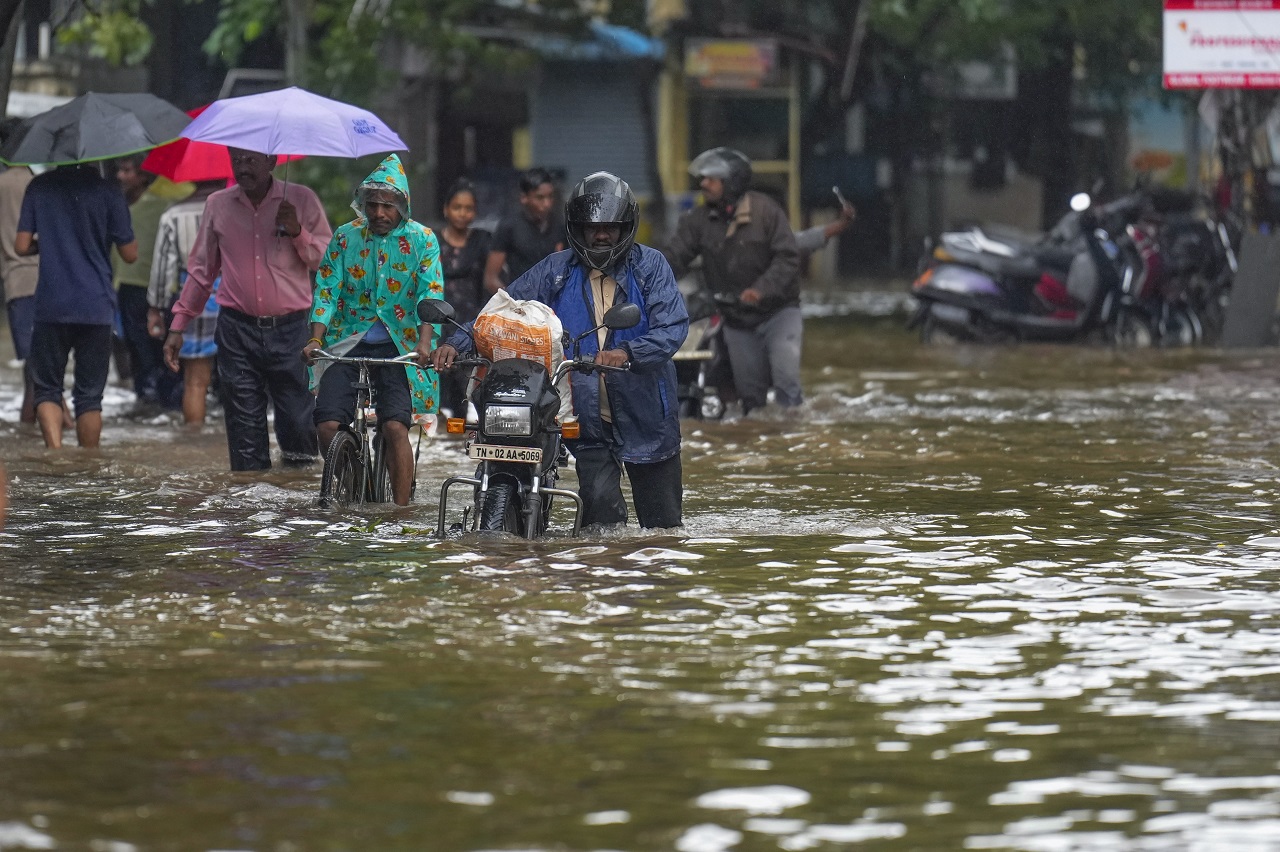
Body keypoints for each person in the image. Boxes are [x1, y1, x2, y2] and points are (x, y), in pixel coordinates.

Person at [433, 171, 688, 530]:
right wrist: (454, 344)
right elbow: (501, 313)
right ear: (575, 228)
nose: (601, 235)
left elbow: (672, 327)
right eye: (591, 228)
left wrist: (628, 352)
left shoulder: (651, 266)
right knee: (600, 530)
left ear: (627, 226)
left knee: (662, 532)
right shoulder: (556, 270)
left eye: (611, 228)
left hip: (647, 414)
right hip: (587, 418)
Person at [162, 148, 332, 471]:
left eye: (251, 160)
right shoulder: (218, 205)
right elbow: (201, 271)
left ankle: (298, 514)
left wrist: (297, 231)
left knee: (299, 429)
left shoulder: (302, 200)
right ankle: (246, 513)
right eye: (236, 159)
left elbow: (328, 262)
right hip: (237, 331)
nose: (243, 167)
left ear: (272, 162)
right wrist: (178, 325)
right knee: (244, 435)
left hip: (292, 331)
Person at [304, 154, 443, 506]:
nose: (379, 213)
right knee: (326, 426)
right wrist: (316, 338)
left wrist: (424, 345)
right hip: (345, 342)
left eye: (387, 206)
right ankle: (351, 480)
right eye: (372, 205)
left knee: (395, 426)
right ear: (362, 206)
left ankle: (401, 512)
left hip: (400, 347)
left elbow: (430, 293)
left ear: (403, 207)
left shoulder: (423, 240)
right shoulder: (345, 237)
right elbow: (327, 289)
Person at [664, 146, 802, 414]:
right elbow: (675, 257)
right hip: (736, 318)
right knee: (750, 398)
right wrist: (643, 275)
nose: (703, 184)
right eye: (702, 178)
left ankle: (793, 436)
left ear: (732, 183)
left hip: (779, 313)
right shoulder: (698, 221)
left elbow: (788, 258)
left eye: (711, 179)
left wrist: (760, 290)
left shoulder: (767, 212)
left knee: (787, 384)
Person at [15, 162, 137, 449]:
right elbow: (130, 254)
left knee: (47, 389)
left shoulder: (40, 186)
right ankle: (89, 463)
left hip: (51, 304)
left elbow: (20, 246)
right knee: (90, 397)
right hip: (95, 306)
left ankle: (55, 454)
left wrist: (49, 243)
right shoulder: (109, 191)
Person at [147, 179, 225, 425]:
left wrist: (155, 307)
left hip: (193, 295)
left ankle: (194, 438)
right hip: (235, 293)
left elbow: (162, 268)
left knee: (195, 381)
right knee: (242, 380)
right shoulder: (238, 208)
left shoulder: (174, 214)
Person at [114, 155, 174, 415]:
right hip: (125, 285)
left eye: (127, 171)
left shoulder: (162, 207)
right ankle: (144, 398)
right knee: (134, 346)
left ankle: (162, 400)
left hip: (156, 288)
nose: (120, 176)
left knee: (157, 346)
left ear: (142, 176)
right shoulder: (116, 206)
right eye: (120, 170)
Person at [437, 178, 491, 418]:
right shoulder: (432, 242)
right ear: (446, 209)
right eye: (457, 207)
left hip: (469, 321)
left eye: (468, 208)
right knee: (438, 388)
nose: (462, 213)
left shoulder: (483, 241)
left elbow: (490, 280)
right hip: (437, 320)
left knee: (467, 389)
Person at [0, 122, 40, 424]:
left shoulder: (3, 184)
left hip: (16, 281)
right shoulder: (35, 183)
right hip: (43, 279)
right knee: (40, 370)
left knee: (33, 368)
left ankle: (31, 435)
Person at [483, 167, 564, 295]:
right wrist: (512, 300)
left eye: (550, 197)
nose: (547, 204)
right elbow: (491, 279)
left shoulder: (559, 225)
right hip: (519, 303)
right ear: (524, 198)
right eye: (540, 198)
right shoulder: (509, 226)